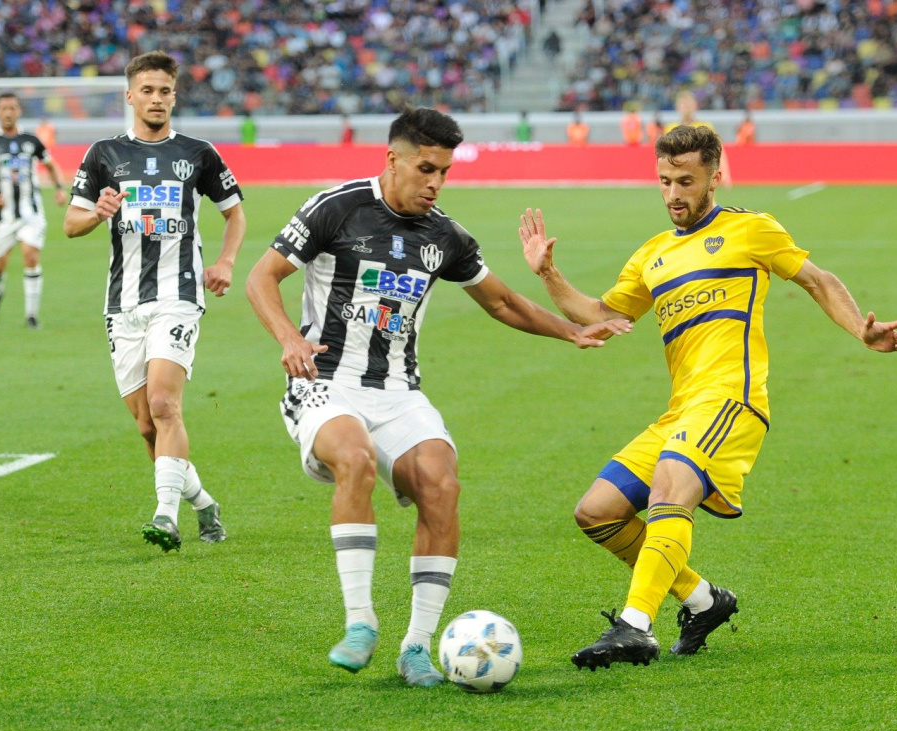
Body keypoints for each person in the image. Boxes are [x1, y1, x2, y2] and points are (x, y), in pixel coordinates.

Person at [246, 107, 630, 687]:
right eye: (426, 168)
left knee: (443, 486)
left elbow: (502, 302)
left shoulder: (443, 235)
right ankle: (361, 623)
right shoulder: (337, 207)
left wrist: (570, 329)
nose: (436, 183)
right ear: (393, 159)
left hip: (399, 391)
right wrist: (287, 337)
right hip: (325, 380)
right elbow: (261, 277)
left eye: (445, 172)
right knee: (352, 458)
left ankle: (417, 647)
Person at [518, 124, 897, 671]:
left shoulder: (751, 230)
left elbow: (819, 280)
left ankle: (636, 626)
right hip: (682, 409)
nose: (673, 194)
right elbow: (604, 316)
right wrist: (549, 274)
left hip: (732, 399)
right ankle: (704, 601)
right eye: (664, 181)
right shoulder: (652, 255)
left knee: (669, 487)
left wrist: (860, 331)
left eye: (686, 180)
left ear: (714, 175)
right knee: (597, 513)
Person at [64, 51, 247, 552]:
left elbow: (235, 214)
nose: (156, 98)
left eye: (165, 90)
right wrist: (99, 213)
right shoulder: (103, 154)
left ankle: (166, 516)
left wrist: (226, 263)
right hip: (122, 305)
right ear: (130, 95)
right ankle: (203, 503)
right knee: (148, 425)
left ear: (174, 96)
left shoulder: (198, 153)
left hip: (179, 295)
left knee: (166, 403)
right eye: (147, 90)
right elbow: (70, 224)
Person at [0, 92, 68, 328]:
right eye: (4, 108)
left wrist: (59, 188)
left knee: (31, 256)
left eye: (13, 108)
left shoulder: (32, 141)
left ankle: (31, 315)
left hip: (31, 213)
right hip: (3, 217)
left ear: (19, 111)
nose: (8, 112)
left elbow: (51, 165)